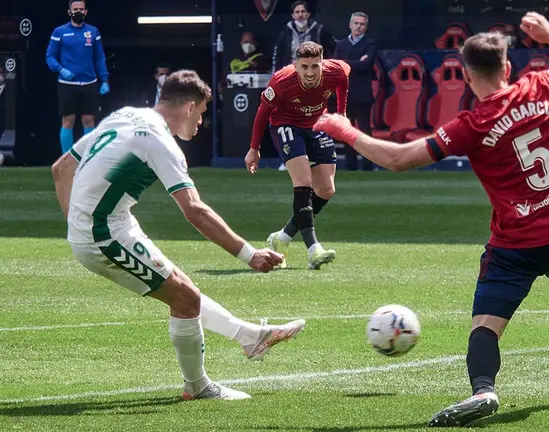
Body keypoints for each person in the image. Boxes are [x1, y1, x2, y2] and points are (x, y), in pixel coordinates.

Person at [313, 13, 549, 427]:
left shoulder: (471, 126)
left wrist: (344, 129)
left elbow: (398, 159)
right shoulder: (542, 84)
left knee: (485, 326)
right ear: (508, 68)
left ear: (464, 74)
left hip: (514, 246)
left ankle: (484, 389)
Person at [51, 70, 306, 401]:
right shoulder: (159, 141)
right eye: (200, 113)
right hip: (103, 235)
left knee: (185, 290)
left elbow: (61, 169)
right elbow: (194, 210)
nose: (200, 122)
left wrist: (76, 221)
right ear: (188, 107)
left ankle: (250, 337)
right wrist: (248, 254)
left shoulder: (126, 115)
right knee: (185, 299)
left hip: (110, 224)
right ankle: (198, 387)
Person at [246, 41, 349, 270]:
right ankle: (313, 250)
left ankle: (282, 238)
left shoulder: (337, 71)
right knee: (303, 182)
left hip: (316, 126)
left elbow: (344, 80)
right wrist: (254, 148)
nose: (310, 72)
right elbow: (263, 114)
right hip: (286, 125)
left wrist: (341, 113)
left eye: (315, 66)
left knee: (326, 189)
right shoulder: (282, 82)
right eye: (305, 67)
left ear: (323, 64)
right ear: (296, 65)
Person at [46, 0, 110, 155]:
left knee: (89, 121)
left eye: (81, 9)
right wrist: (61, 70)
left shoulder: (93, 32)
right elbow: (50, 56)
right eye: (75, 9)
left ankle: (88, 157)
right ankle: (67, 159)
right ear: (69, 12)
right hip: (67, 83)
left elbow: (99, 57)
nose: (78, 12)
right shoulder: (59, 32)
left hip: (90, 82)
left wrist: (105, 79)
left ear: (86, 11)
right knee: (68, 121)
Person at [331, 12, 378, 171]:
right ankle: (350, 165)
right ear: (350, 24)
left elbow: (366, 65)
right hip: (343, 95)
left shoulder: (370, 45)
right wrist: (356, 63)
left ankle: (367, 165)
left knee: (364, 131)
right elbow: (335, 66)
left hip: (362, 94)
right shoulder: (341, 44)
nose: (358, 26)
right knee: (347, 131)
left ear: (366, 27)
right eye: (356, 23)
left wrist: (345, 63)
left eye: (362, 24)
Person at [272, 1, 336, 73]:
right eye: (297, 12)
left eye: (303, 11)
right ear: (293, 15)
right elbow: (277, 55)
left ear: (308, 14)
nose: (300, 15)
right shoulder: (286, 32)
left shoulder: (318, 30)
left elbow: (334, 48)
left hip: (314, 71)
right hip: (291, 71)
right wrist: (275, 73)